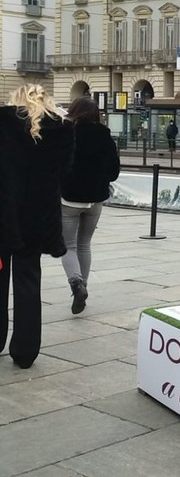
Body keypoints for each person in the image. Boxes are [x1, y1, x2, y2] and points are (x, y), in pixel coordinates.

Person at [0, 84, 74, 369]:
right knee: (29, 281)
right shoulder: (62, 129)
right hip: (38, 217)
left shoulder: (3, 124)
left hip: (3, 214)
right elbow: (65, 171)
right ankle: (25, 351)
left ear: (15, 99)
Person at [60, 97, 121, 315]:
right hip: (96, 198)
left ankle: (76, 284)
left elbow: (57, 166)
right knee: (84, 244)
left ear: (73, 111)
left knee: (68, 245)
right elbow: (114, 172)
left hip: (69, 199)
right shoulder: (105, 135)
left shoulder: (67, 132)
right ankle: (83, 287)